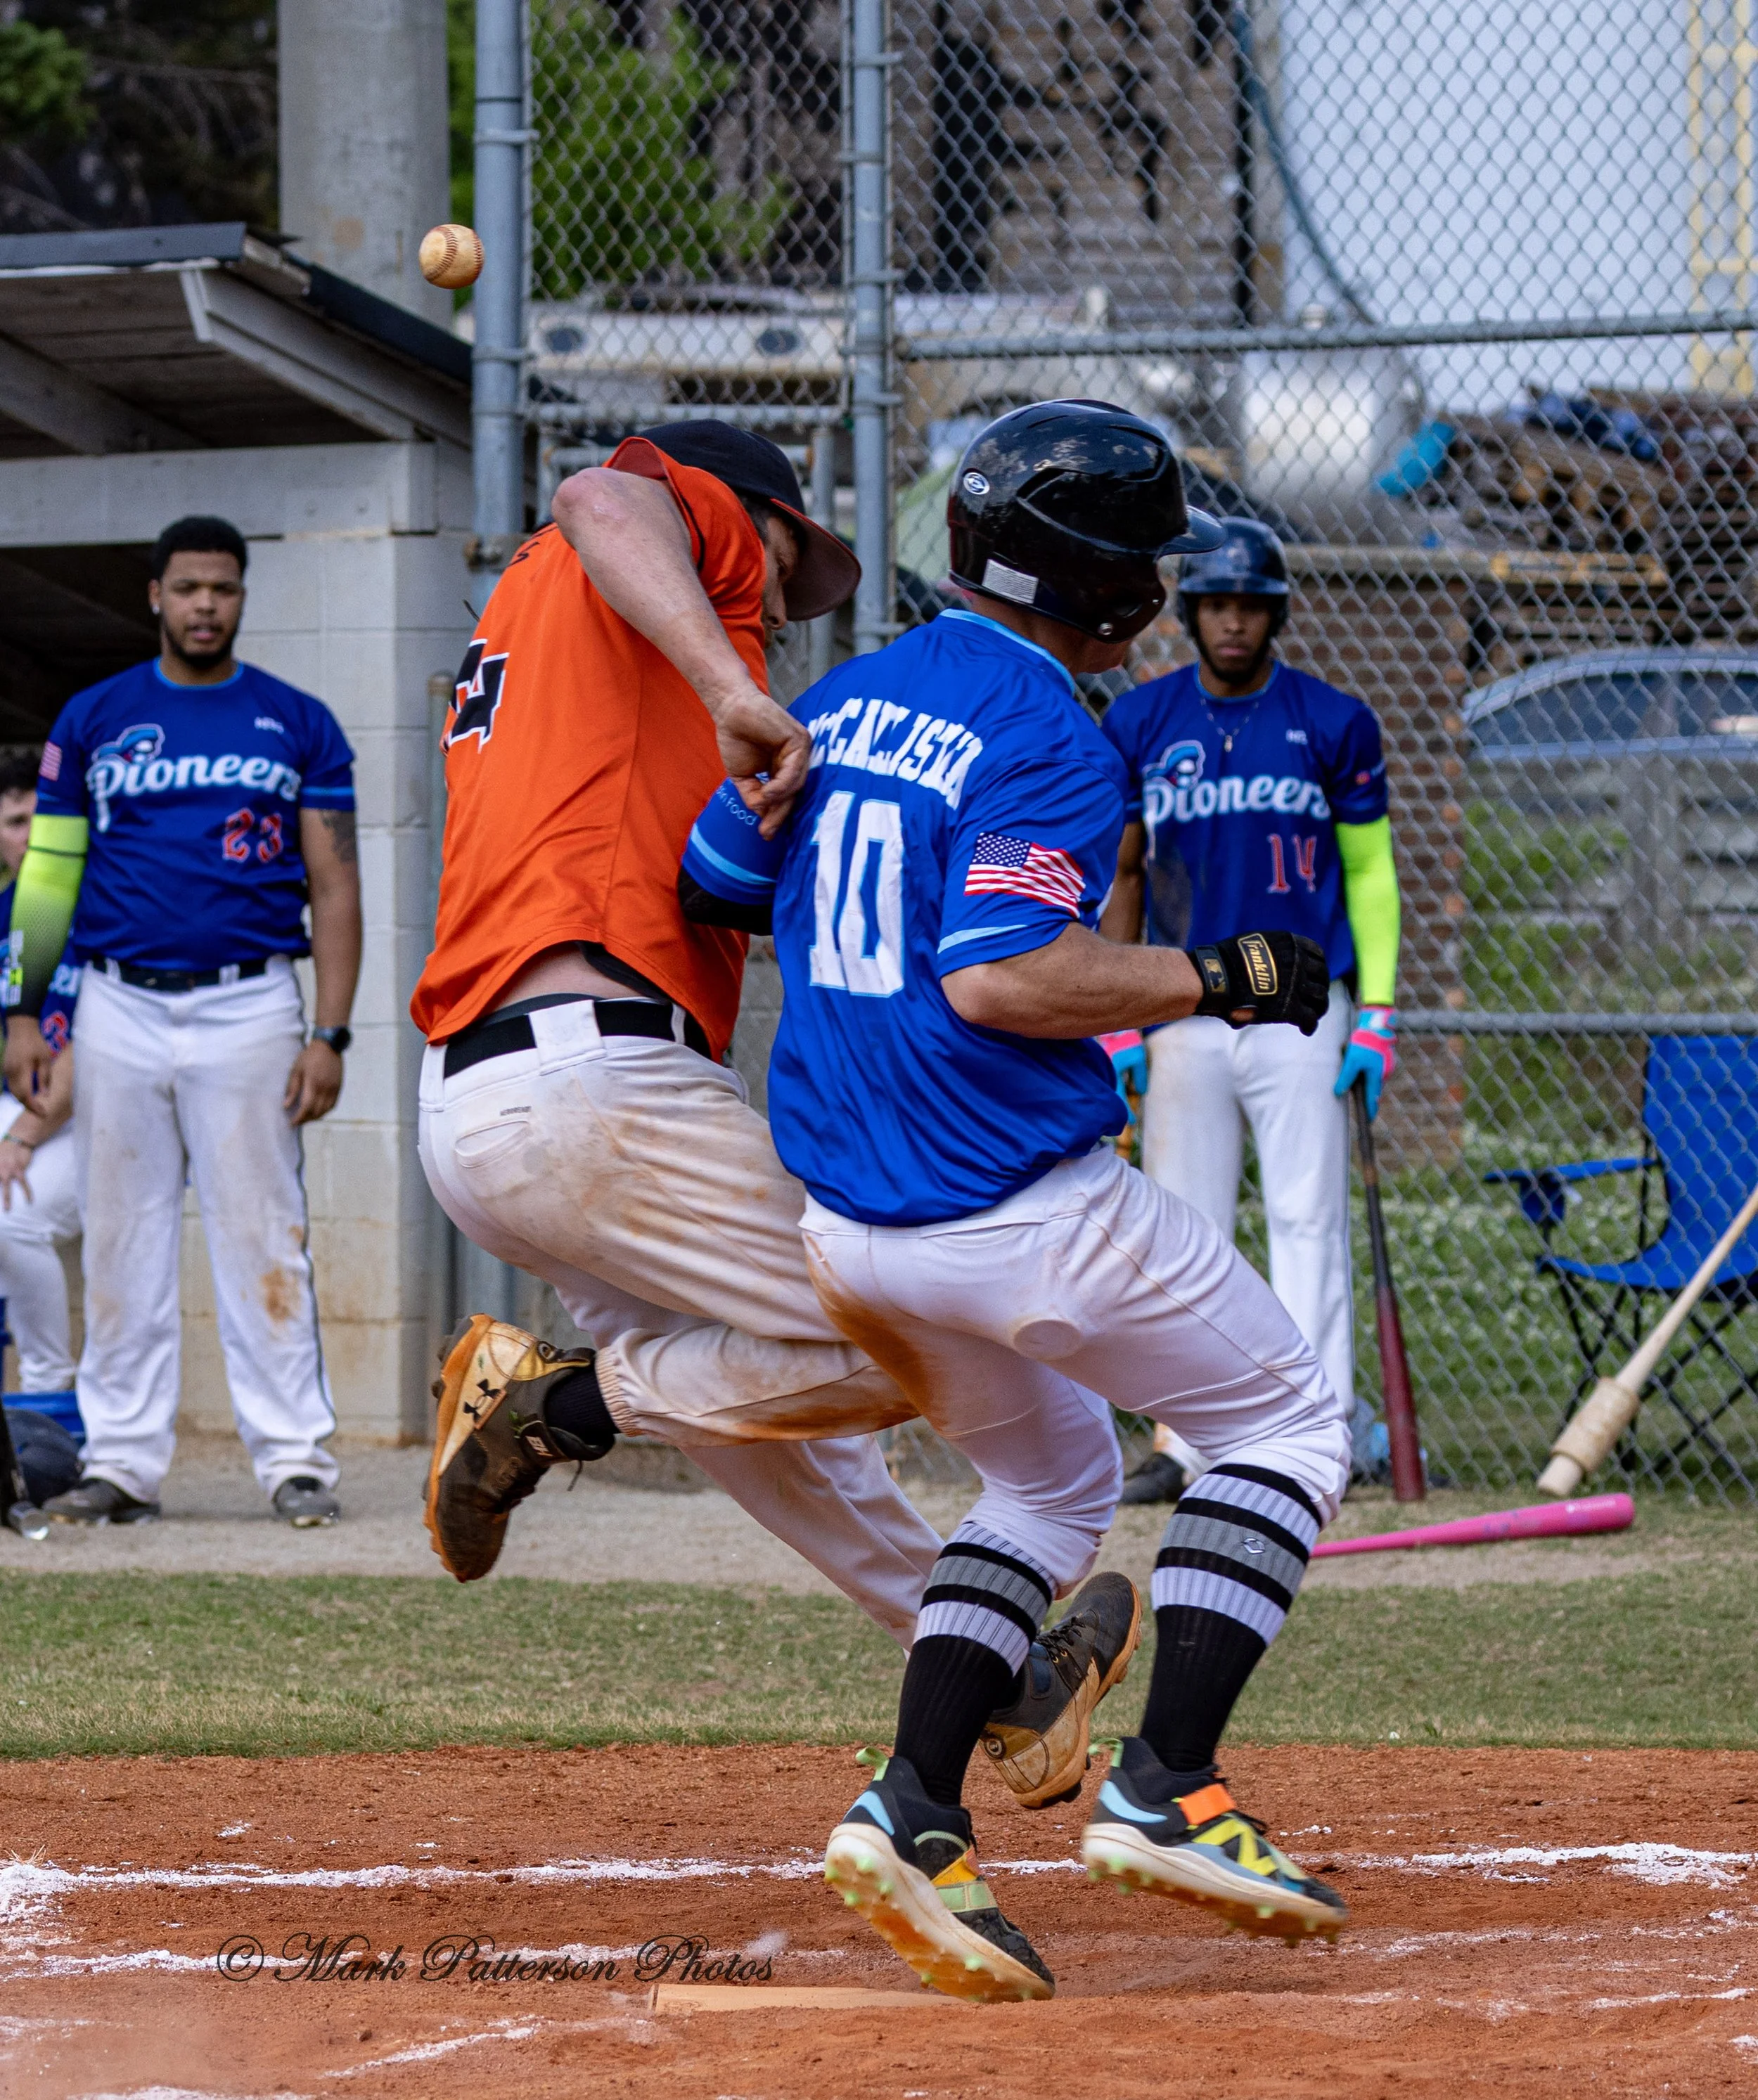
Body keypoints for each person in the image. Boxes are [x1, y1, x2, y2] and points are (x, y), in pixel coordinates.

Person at [681, 401, 1353, 2003]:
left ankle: (913, 1809)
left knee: (1049, 1483)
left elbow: (714, 876)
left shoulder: (842, 691)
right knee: (1282, 1424)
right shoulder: (1051, 732)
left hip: (851, 1223)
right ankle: (1167, 1786)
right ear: (1113, 595)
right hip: (1013, 1200)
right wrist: (1224, 974)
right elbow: (1009, 978)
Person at [415, 421, 1131, 1803]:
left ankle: (998, 1676)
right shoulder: (658, 539)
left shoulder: (547, 621)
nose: (776, 621)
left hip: (503, 1099)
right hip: (591, 1088)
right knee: (912, 1320)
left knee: (778, 1408)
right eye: (779, 572)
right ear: (749, 522)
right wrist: (728, 674)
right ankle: (560, 1399)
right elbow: (602, 494)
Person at [2, 515, 362, 1529]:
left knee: (264, 1235)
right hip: (115, 999)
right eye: (190, 587)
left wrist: (328, 1032)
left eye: (226, 588)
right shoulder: (94, 716)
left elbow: (335, 884)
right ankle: (122, 1464)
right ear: (154, 593)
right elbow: (50, 870)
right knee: (123, 1237)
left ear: (243, 598)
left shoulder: (299, 721)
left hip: (250, 997)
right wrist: (22, 1007)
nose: (208, 604)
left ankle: (295, 1460)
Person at [1100, 519, 1402, 1494]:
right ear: (1190, 614)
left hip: (1306, 1006)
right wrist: (1115, 1019)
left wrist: (1380, 1013)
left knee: (1310, 1222)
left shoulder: (1334, 720)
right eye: (1218, 603)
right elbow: (1122, 873)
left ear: (1275, 613)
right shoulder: (1140, 721)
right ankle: (1184, 1443)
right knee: (1186, 1232)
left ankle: (1318, 1439)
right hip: (1182, 1004)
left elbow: (1371, 873)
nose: (1234, 621)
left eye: (1251, 604)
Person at [0, 749, 82, 1399]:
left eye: (39, 819)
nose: (30, 837)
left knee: (12, 1220)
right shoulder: (6, 914)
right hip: (23, 1115)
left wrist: (20, 1137)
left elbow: (91, 1052)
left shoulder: (101, 907)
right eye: (16, 822)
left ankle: (47, 1394)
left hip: (99, 1119)